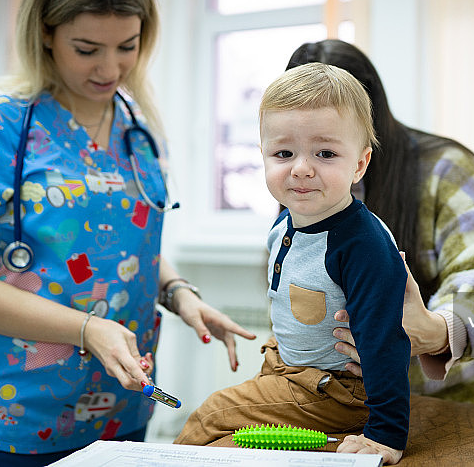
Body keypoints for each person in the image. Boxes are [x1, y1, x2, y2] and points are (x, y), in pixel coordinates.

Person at [0, 0, 254, 466]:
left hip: (125, 412)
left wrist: (179, 293)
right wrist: (85, 329)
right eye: (87, 48)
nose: (110, 68)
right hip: (17, 422)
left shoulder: (138, 127)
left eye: (128, 46)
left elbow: (123, 244)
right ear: (46, 33)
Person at [175, 62, 410, 464]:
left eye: (325, 153)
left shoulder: (362, 243)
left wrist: (386, 435)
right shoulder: (285, 223)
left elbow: (385, 341)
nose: (301, 168)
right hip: (288, 367)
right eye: (284, 153)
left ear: (359, 164)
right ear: (263, 156)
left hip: (337, 388)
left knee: (211, 415)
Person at [287, 39, 474, 408]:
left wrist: (438, 332)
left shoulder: (443, 169)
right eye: (291, 146)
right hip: (353, 411)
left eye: (326, 147)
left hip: (461, 405)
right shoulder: (299, 179)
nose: (304, 165)